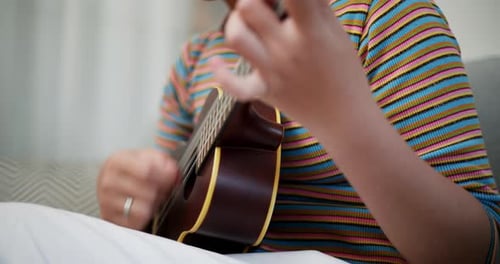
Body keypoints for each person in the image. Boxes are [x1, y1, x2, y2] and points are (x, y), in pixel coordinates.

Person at [97, 0, 499, 263]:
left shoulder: (389, 15)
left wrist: (342, 117)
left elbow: (476, 251)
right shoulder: (195, 59)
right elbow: (160, 230)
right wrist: (127, 199)